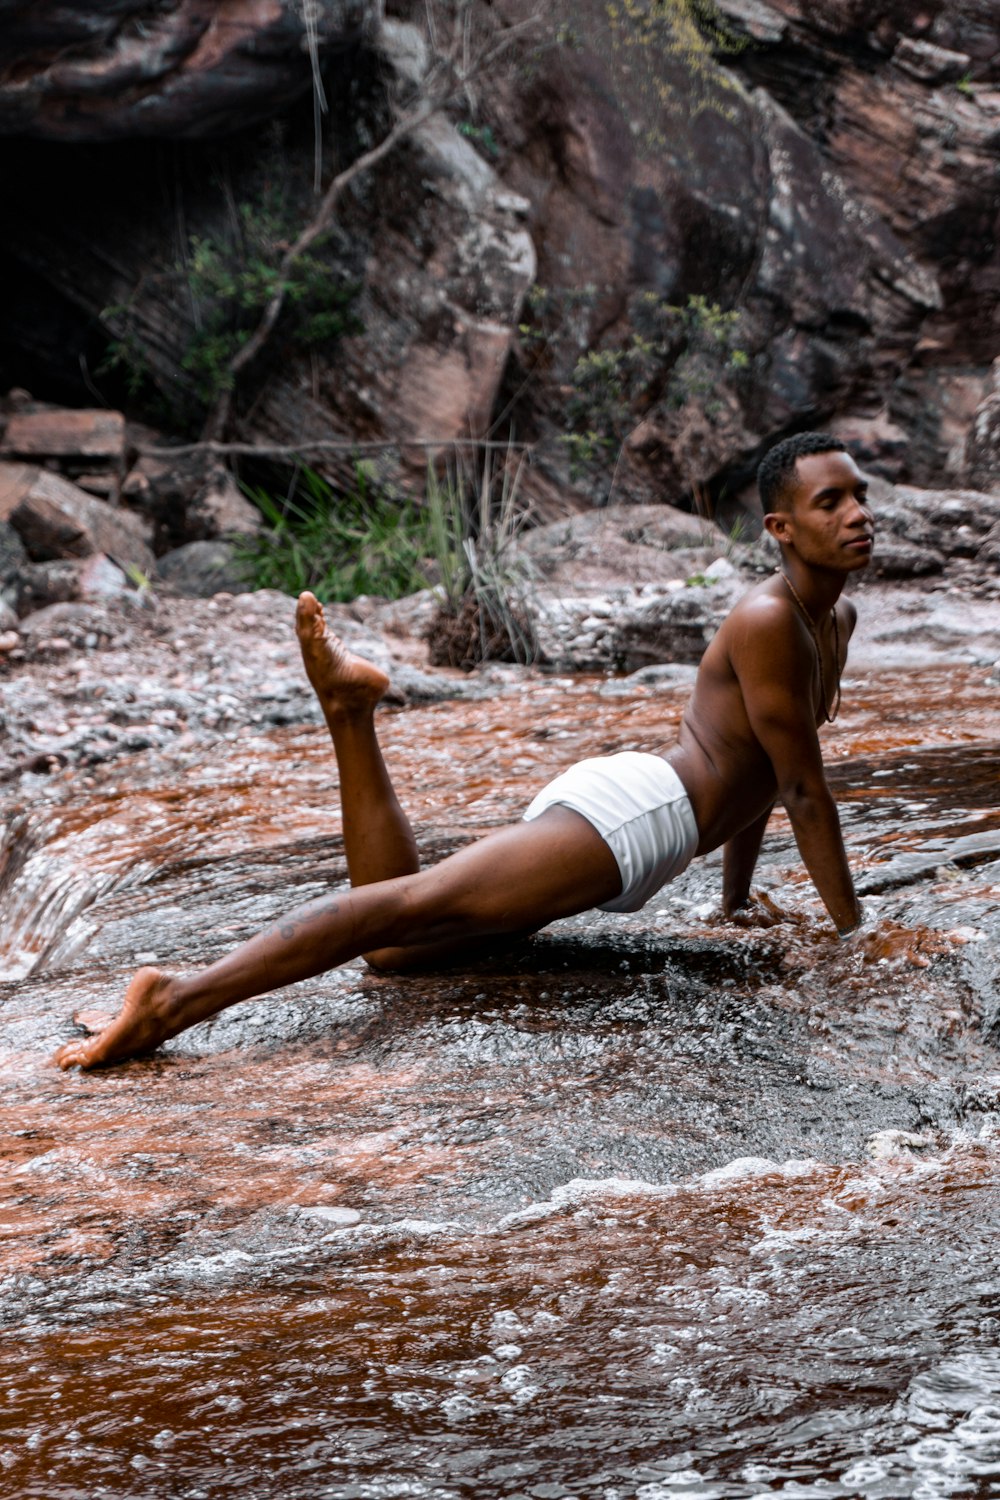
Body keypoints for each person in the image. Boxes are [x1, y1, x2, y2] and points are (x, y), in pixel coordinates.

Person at [53, 431, 875, 1071]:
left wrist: (734, 904)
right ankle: (174, 1000)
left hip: (655, 826)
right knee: (401, 913)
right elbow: (805, 793)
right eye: (830, 502)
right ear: (781, 527)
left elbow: (769, 771)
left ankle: (350, 713)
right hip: (639, 816)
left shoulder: (832, 621)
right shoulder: (769, 620)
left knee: (396, 950)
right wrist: (855, 942)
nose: (856, 515)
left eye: (859, 497)